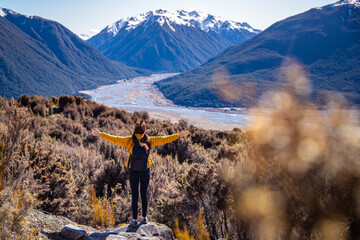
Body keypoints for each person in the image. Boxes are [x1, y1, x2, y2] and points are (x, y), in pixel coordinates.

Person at [91, 120, 189, 226]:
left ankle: (134, 220)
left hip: (133, 170)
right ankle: (144, 218)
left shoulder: (129, 140)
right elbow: (164, 139)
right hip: (145, 170)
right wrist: (179, 135)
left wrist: (101, 134)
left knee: (135, 195)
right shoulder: (149, 140)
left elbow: (115, 139)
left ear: (134, 130)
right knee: (144, 194)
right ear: (144, 130)